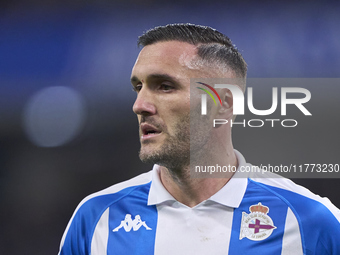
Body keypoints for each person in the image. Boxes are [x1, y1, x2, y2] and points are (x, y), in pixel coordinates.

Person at [58, 24, 340, 255]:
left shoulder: (310, 220)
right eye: (138, 87)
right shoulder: (96, 218)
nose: (140, 105)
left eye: (165, 86)